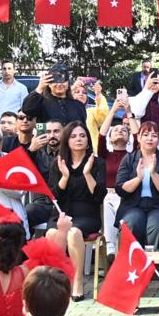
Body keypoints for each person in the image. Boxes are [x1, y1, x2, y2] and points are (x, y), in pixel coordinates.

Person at [52, 120, 106, 297]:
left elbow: (99, 197)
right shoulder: (58, 163)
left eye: (82, 135)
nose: (78, 139)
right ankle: (58, 281)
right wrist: (65, 177)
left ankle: (78, 281)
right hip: (63, 213)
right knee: (52, 234)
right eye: (74, 136)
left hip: (88, 214)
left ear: (88, 140)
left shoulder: (97, 163)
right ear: (67, 140)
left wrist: (87, 173)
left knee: (74, 232)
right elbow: (53, 197)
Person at [116, 122, 159, 250]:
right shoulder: (129, 158)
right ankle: (134, 264)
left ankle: (154, 265)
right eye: (145, 135)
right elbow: (121, 189)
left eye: (154, 135)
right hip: (133, 206)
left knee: (158, 225)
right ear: (138, 137)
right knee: (132, 223)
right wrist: (138, 178)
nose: (150, 138)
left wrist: (153, 173)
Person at [23, 67, 89, 128]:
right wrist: (40, 87)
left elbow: (83, 129)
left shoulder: (78, 106)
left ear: (68, 84)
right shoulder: (41, 103)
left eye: (63, 80)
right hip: (47, 139)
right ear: (49, 83)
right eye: (56, 80)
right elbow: (27, 109)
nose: (59, 84)